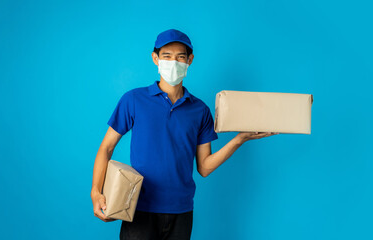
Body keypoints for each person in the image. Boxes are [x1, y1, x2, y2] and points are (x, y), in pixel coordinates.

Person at [90, 29, 277, 240]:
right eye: (166, 56)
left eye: (180, 57)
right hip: (138, 208)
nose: (173, 62)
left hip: (182, 212)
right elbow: (106, 148)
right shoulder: (133, 100)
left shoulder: (200, 110)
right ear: (155, 58)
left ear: (190, 60)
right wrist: (95, 191)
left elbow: (204, 167)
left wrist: (239, 139)